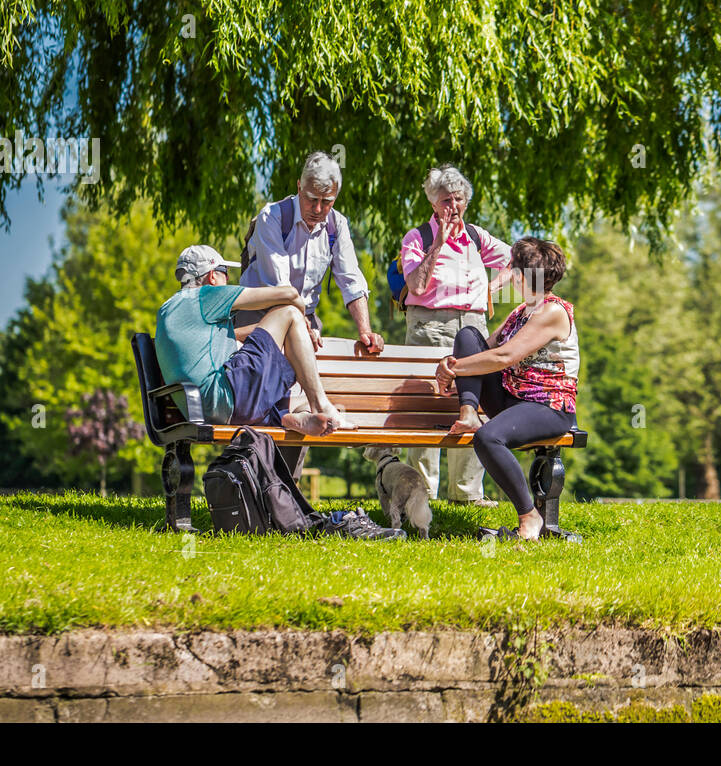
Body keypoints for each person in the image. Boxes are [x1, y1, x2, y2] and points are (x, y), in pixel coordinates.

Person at [155, 245, 400, 540]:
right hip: (226, 397)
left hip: (200, 407)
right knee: (286, 313)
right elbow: (289, 295)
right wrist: (301, 321)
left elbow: (236, 336)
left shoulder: (172, 310)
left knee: (277, 340)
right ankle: (322, 407)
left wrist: (286, 331)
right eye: (225, 273)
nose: (228, 278)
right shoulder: (207, 296)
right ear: (210, 277)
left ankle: (289, 417)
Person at [238, 150, 383, 477]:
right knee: (260, 399)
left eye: (327, 201)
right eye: (312, 199)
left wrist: (365, 329)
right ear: (298, 187)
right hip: (257, 315)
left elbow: (351, 279)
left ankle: (287, 484)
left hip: (304, 315)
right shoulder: (272, 217)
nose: (318, 209)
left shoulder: (337, 225)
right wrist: (298, 324)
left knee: (299, 403)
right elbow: (281, 285)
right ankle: (249, 480)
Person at [434, 238, 579, 540]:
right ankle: (469, 413)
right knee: (468, 336)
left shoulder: (553, 312)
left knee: (487, 439)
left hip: (549, 407)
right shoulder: (520, 312)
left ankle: (530, 517)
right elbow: (482, 353)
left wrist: (454, 369)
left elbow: (504, 357)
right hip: (513, 399)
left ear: (522, 276)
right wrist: (452, 363)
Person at [400, 163, 513, 507]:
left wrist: (491, 289)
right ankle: (422, 496)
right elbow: (416, 285)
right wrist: (439, 242)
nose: (454, 206)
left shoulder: (478, 237)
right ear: (433, 204)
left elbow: (518, 259)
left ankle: (466, 494)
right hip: (430, 326)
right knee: (428, 407)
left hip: (473, 327)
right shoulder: (417, 238)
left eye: (459, 199)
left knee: (472, 405)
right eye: (446, 200)